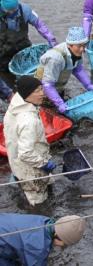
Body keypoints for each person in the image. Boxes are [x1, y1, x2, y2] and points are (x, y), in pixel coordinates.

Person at [3, 77, 54, 205]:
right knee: (38, 200)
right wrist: (44, 163)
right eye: (37, 91)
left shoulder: (16, 104)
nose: (42, 93)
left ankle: (18, 180)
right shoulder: (28, 121)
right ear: (27, 94)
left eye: (41, 89)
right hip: (30, 168)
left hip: (15, 159)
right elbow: (25, 153)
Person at [35, 27, 93, 114]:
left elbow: (77, 69)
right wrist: (59, 103)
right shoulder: (55, 58)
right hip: (43, 90)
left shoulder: (77, 52)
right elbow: (47, 85)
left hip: (58, 86)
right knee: (48, 112)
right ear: (69, 45)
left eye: (84, 45)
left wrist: (88, 85)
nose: (82, 49)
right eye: (79, 46)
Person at [0, 0, 56, 71]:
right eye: (9, 11)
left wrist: (51, 39)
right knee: (5, 72)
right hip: (3, 49)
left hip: (22, 44)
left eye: (14, 10)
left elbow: (39, 25)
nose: (12, 12)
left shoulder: (25, 10)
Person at [0, 213, 86, 264]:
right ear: (58, 237)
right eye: (65, 244)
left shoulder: (44, 221)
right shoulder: (38, 249)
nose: (63, 246)